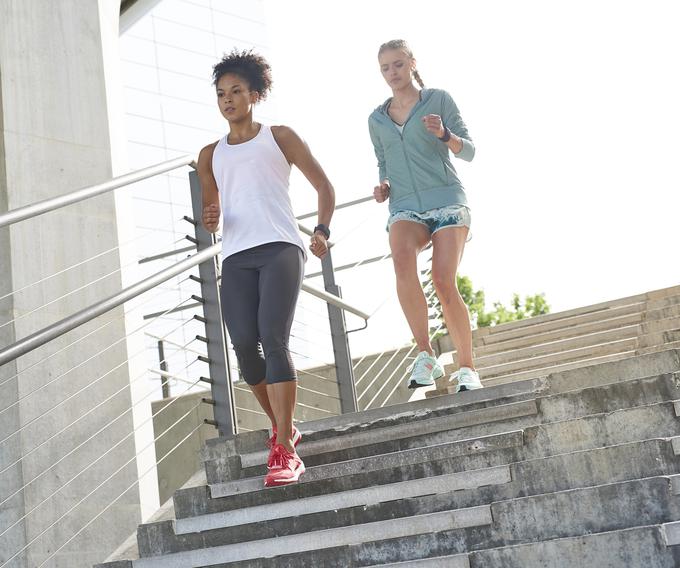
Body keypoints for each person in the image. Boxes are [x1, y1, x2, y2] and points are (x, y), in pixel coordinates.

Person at [197, 49, 335, 487]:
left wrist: (322, 231)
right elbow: (212, 206)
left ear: (255, 94)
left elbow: (324, 185)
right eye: (221, 93)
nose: (228, 99)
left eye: (237, 91)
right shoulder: (209, 154)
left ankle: (285, 451)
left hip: (280, 247)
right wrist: (211, 216)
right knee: (243, 349)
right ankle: (282, 426)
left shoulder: (280, 136)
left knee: (273, 338)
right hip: (237, 257)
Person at [368, 39, 483, 393]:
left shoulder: (438, 100)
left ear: (412, 64)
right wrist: (383, 184)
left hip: (447, 200)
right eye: (386, 67)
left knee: (443, 280)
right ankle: (424, 353)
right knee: (402, 260)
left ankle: (466, 368)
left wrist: (445, 135)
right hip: (404, 206)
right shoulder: (376, 119)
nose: (393, 73)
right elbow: (383, 162)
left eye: (398, 65)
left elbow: (470, 151)